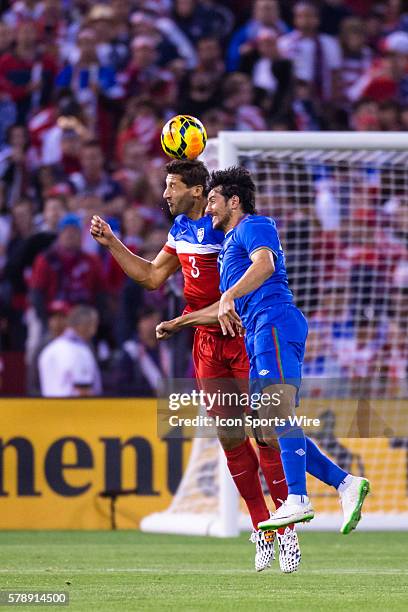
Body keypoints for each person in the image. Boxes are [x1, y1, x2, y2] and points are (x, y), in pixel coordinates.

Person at [90, 159, 298, 574]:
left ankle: (287, 526)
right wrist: (113, 243)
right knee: (231, 436)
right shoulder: (181, 232)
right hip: (208, 347)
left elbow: (238, 294)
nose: (164, 193)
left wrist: (182, 320)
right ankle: (263, 530)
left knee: (267, 432)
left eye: (172, 185)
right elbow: (151, 277)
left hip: (243, 334)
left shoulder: (231, 229)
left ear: (198, 191)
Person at [158, 166, 370, 534]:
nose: (208, 209)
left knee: (276, 411)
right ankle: (344, 483)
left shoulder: (254, 225)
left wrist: (228, 295)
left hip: (274, 322)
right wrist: (180, 322)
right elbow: (224, 304)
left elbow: (265, 264)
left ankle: (299, 498)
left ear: (234, 201)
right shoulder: (228, 248)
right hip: (257, 331)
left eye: (212, 200)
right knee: (268, 430)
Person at [38, 304, 101, 397]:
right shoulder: (79, 350)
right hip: (74, 409)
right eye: (93, 325)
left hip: (49, 408)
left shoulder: (49, 349)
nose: (94, 331)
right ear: (82, 325)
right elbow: (83, 392)